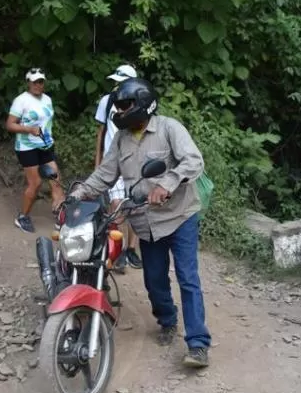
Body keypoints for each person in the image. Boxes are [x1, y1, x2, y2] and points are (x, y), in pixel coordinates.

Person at [68, 77, 211, 368]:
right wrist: (79, 191)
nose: (119, 112)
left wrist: (167, 184)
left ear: (144, 103)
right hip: (146, 221)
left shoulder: (169, 128)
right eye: (117, 108)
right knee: (154, 280)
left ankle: (198, 344)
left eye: (125, 106)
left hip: (180, 216)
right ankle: (168, 320)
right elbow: (105, 175)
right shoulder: (121, 140)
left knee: (188, 278)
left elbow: (194, 161)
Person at [93, 64, 142, 272]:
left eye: (121, 82)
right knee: (116, 205)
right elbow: (101, 132)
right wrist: (98, 161)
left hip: (135, 159)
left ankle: (131, 249)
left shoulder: (141, 102)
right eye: (116, 82)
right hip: (113, 160)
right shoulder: (108, 101)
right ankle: (118, 249)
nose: (117, 86)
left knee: (136, 206)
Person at [6, 67, 64, 233]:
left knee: (56, 181)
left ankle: (61, 220)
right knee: (36, 183)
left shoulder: (47, 99)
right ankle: (22, 217)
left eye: (41, 81)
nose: (38, 85)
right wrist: (29, 129)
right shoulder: (21, 100)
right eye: (35, 82)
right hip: (26, 147)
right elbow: (10, 125)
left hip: (45, 145)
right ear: (28, 83)